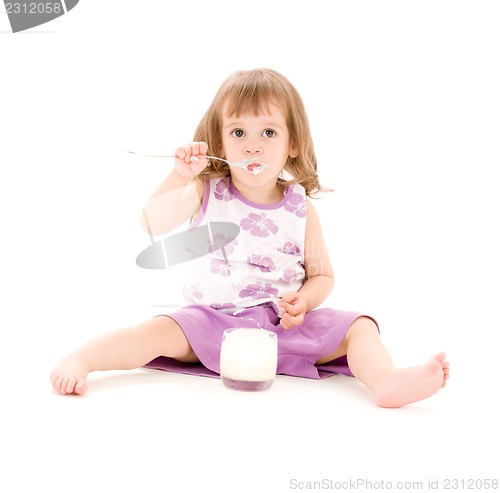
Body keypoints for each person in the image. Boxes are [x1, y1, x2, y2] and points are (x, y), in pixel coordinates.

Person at [50, 68, 450, 407]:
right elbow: (151, 220)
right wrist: (180, 176)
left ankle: (385, 381)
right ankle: (82, 359)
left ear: (293, 144)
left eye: (269, 132)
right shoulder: (207, 191)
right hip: (212, 323)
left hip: (283, 327)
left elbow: (323, 275)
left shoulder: (300, 208)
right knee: (156, 331)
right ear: (220, 143)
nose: (253, 144)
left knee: (359, 326)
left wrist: (304, 302)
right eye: (238, 132)